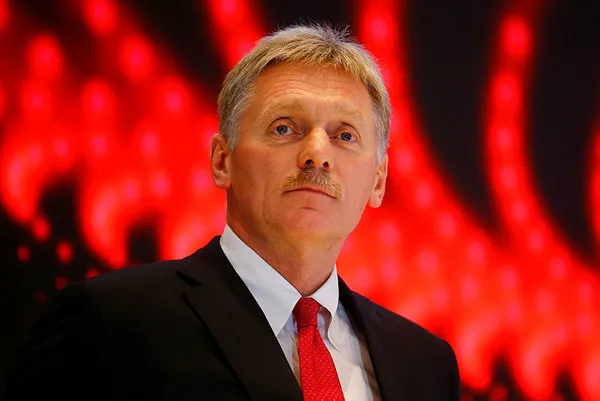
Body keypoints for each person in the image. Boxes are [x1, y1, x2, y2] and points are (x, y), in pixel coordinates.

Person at [3, 24, 460, 400]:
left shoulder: (425, 363)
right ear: (222, 161)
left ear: (378, 181)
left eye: (345, 136)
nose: (317, 154)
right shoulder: (109, 323)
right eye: (284, 128)